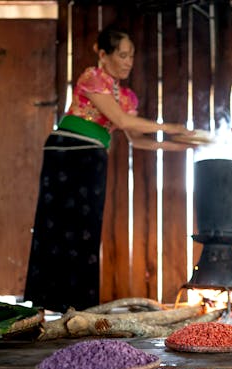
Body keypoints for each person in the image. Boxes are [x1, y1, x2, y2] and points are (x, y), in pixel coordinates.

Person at [24, 25, 193, 313]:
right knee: (56, 227)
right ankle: (43, 305)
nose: (128, 61)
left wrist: (180, 145)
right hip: (66, 152)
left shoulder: (126, 96)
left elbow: (138, 140)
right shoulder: (93, 77)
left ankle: (76, 307)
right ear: (103, 54)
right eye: (123, 55)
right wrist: (172, 127)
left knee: (86, 230)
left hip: (92, 157)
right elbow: (123, 122)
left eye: (131, 56)